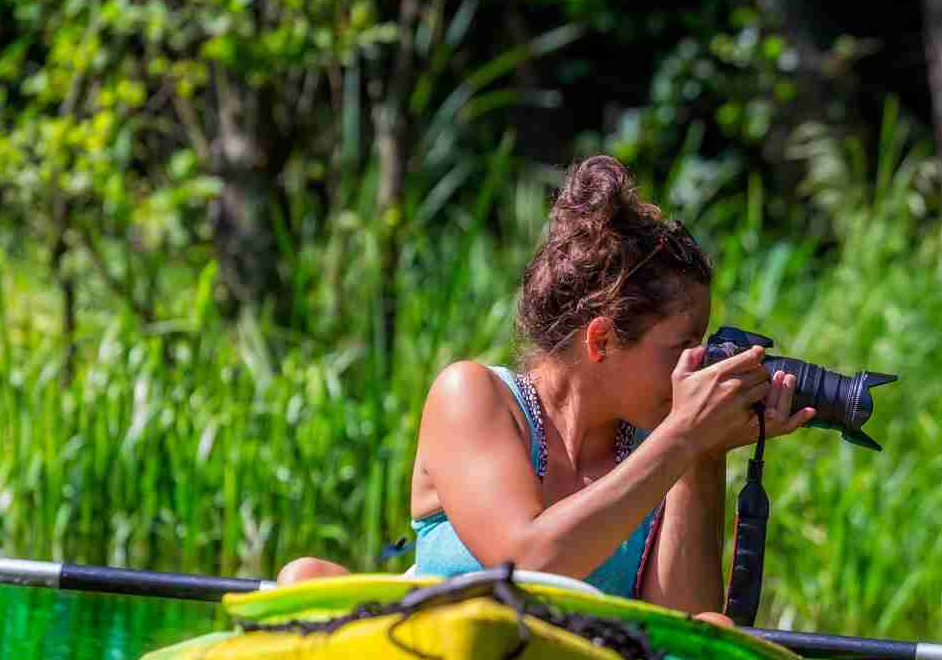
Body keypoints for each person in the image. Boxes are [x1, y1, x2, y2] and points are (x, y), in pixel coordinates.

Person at [276, 155, 814, 625]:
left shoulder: (663, 442)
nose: (696, 367)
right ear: (601, 340)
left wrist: (702, 454)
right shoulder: (472, 395)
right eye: (682, 346)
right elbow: (525, 564)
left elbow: (679, 635)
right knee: (304, 579)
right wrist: (680, 438)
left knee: (714, 624)